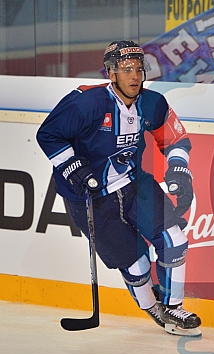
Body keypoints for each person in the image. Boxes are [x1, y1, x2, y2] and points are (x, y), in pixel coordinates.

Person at [36, 40, 201, 337]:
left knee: (173, 238)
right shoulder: (86, 102)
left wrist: (179, 167)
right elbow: (49, 135)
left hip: (133, 183)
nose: (135, 76)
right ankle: (153, 307)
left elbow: (175, 139)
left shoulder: (152, 102)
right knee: (136, 264)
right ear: (112, 74)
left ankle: (173, 306)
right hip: (89, 196)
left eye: (139, 69)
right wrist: (73, 166)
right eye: (127, 70)